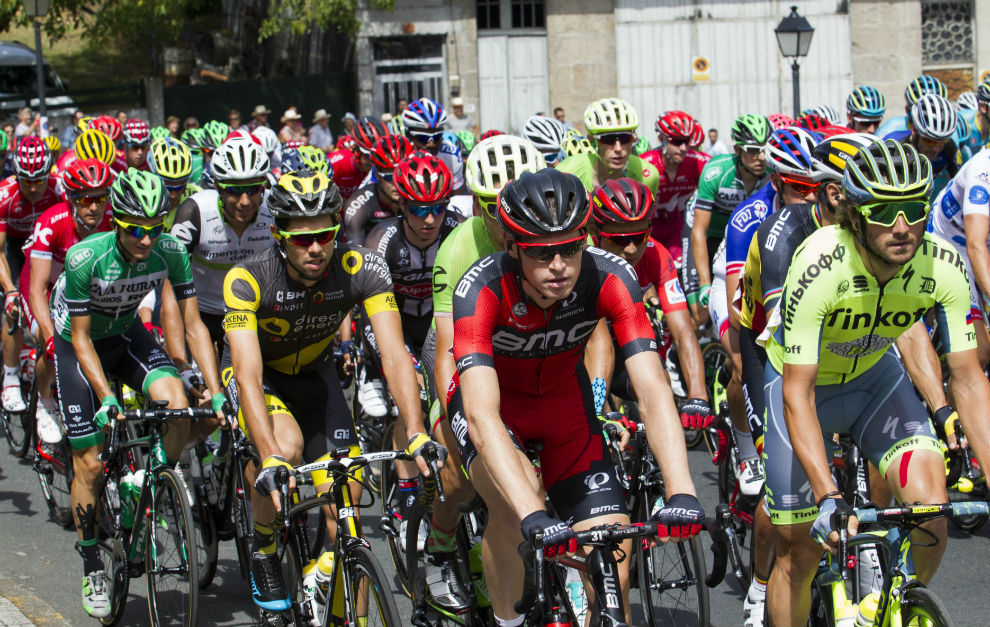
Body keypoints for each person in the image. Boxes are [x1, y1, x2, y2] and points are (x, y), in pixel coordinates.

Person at [449, 167, 704, 625]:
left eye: (571, 247)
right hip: (495, 412)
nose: (560, 266)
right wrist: (532, 513)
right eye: (542, 254)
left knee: (614, 547)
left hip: (566, 410)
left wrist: (681, 489)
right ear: (512, 248)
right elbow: (481, 415)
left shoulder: (610, 277)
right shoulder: (481, 288)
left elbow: (651, 389)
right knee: (513, 511)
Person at [763, 138, 990, 626]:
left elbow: (968, 379)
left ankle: (888, 605)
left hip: (873, 379)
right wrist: (827, 495)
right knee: (800, 552)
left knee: (932, 509)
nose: (903, 227)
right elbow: (796, 392)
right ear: (856, 213)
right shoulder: (820, 262)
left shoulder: (944, 265)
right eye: (885, 212)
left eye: (913, 209)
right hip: (800, 386)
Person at [221, 168, 444, 611]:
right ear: (277, 234)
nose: (317, 248)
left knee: (349, 500)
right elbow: (246, 374)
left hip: (316, 378)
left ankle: (332, 577)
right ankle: (265, 550)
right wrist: (266, 455)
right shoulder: (248, 279)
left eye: (325, 235)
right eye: (302, 239)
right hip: (260, 377)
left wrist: (416, 430)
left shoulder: (361, 267)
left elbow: (395, 354)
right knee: (284, 449)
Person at [52, 169, 226, 618]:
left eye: (155, 228)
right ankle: (92, 560)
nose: (146, 240)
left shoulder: (169, 252)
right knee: (88, 461)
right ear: (117, 221)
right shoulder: (83, 258)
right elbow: (83, 339)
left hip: (127, 335)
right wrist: (106, 397)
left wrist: (215, 385)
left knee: (181, 407)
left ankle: (147, 484)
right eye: (135, 230)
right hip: (80, 346)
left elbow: (192, 325)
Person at [589, 178, 711, 423]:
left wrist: (698, 396)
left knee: (661, 385)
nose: (632, 249)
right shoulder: (583, 262)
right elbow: (596, 346)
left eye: (640, 237)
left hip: (625, 348)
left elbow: (683, 330)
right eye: (620, 240)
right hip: (584, 356)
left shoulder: (656, 254)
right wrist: (597, 409)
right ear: (595, 233)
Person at [21, 158, 115, 447]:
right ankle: (45, 403)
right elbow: (37, 289)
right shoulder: (52, 221)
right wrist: (50, 338)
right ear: (72, 198)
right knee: (53, 348)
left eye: (100, 198)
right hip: (44, 287)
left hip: (81, 290)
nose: (94, 207)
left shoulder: (113, 220)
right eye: (86, 199)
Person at [170, 136, 273, 346]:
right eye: (234, 190)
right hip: (202, 316)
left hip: (255, 315)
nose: (244, 201)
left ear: (264, 185)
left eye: (253, 189)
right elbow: (170, 286)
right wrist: (181, 362)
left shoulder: (274, 208)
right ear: (217, 185)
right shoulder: (195, 211)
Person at [687, 114, 771, 325]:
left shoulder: (771, 174)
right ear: (737, 150)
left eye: (764, 149)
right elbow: (698, 231)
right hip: (707, 234)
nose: (760, 157)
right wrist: (705, 283)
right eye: (752, 151)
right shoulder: (717, 172)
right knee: (700, 313)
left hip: (737, 239)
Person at [929, 132, 990, 367]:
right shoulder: (982, 170)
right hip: (951, 245)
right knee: (980, 354)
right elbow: (975, 245)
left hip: (980, 242)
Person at [639, 110, 711, 261]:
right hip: (647, 229)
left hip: (675, 228)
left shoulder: (696, 161)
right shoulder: (645, 164)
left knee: (678, 272)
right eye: (677, 142)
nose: (684, 148)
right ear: (661, 139)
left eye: (687, 141)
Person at [556, 97, 659, 195]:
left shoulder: (647, 176)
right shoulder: (567, 172)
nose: (618, 149)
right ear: (592, 140)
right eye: (608, 139)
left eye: (625, 138)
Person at [342, 134, 415, 246]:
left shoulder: (420, 199)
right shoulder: (357, 205)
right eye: (390, 177)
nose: (397, 183)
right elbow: (356, 257)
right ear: (376, 175)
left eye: (403, 175)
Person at [884, 93, 959, 196]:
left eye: (942, 142)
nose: (936, 149)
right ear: (914, 130)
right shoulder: (893, 146)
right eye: (930, 141)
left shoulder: (949, 148)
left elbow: (958, 185)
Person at [402, 98, 466, 192]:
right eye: (423, 138)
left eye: (436, 137)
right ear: (409, 136)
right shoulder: (400, 156)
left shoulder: (452, 155)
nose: (431, 144)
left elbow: (457, 197)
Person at [875, 74, 947, 137]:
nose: (928, 117)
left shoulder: (950, 133)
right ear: (907, 109)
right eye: (921, 111)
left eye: (934, 110)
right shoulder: (890, 129)